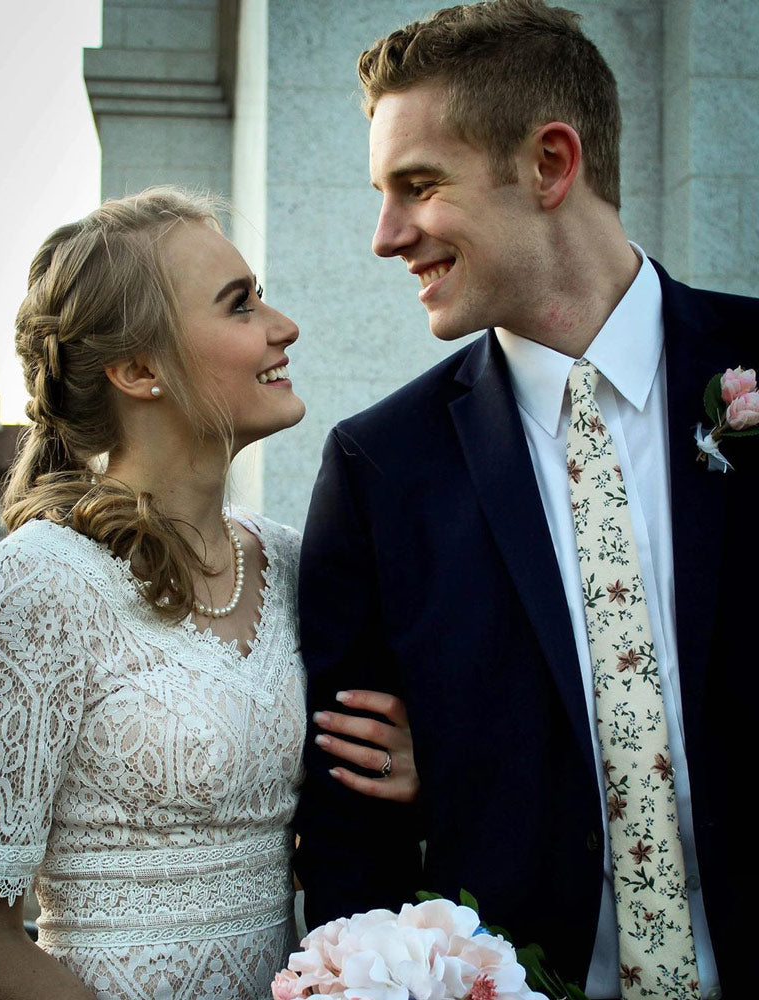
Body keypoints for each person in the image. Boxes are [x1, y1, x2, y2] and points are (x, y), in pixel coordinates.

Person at [295, 2, 756, 998]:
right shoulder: (379, 469)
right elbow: (349, 839)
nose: (385, 237)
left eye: (416, 187)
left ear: (549, 164)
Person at [0, 187, 418, 1000]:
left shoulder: (293, 563)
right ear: (139, 370)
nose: (283, 326)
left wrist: (414, 767)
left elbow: (341, 812)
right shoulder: (37, 583)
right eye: (240, 306)